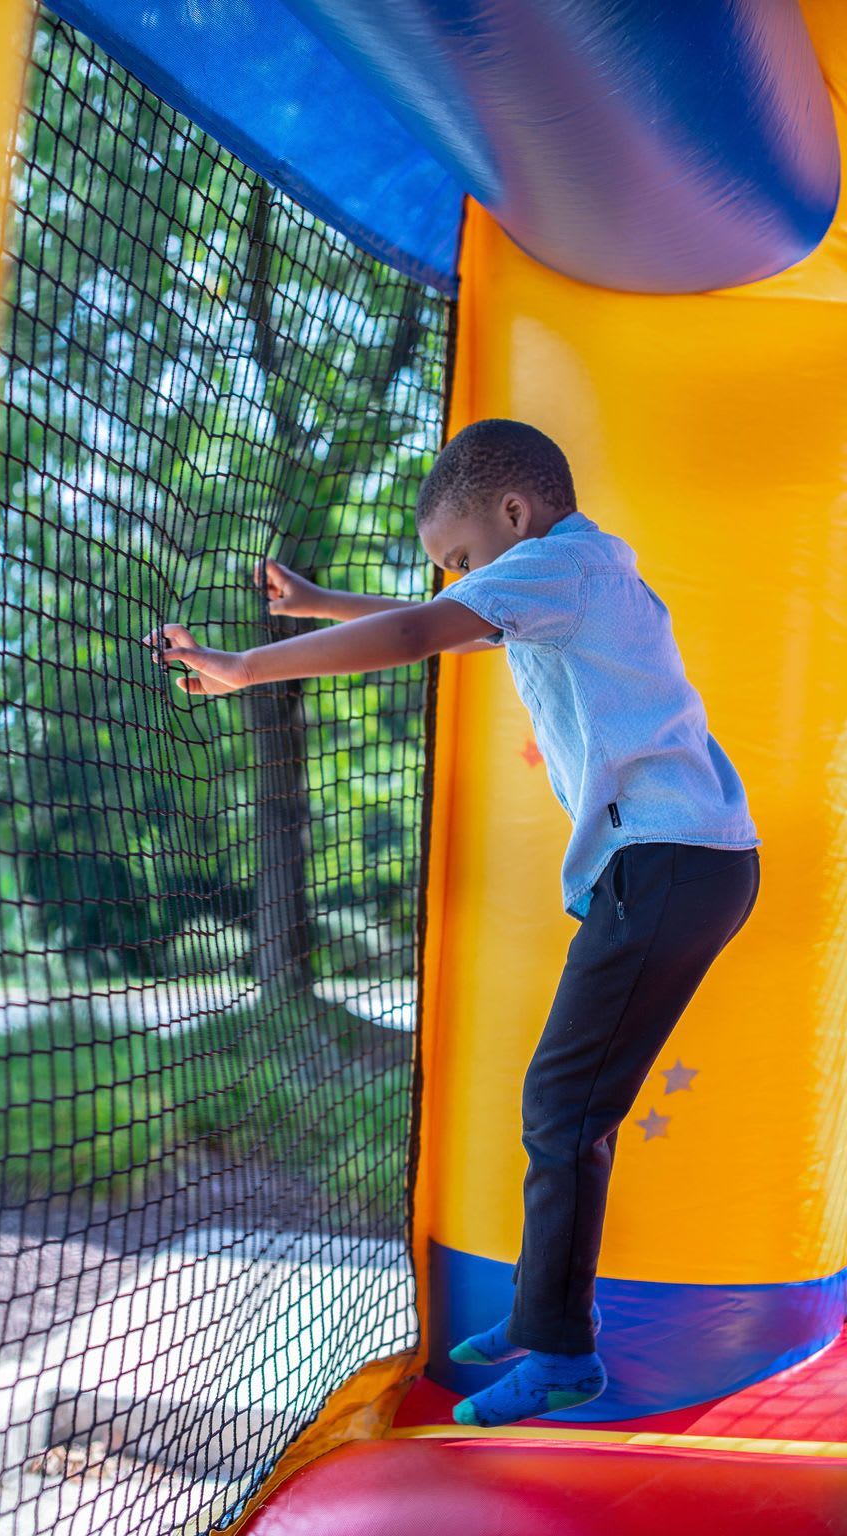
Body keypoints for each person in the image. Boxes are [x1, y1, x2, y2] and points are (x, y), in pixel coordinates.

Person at [143, 418, 761, 1427]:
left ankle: (560, 1354)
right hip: (679, 864)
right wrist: (315, 604)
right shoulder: (567, 574)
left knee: (563, 1110)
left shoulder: (565, 568)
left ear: (515, 515)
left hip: (668, 866)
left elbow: (417, 633)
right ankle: (539, 1314)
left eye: (463, 556)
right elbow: (445, 615)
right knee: (563, 1106)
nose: (459, 579)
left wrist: (250, 664)